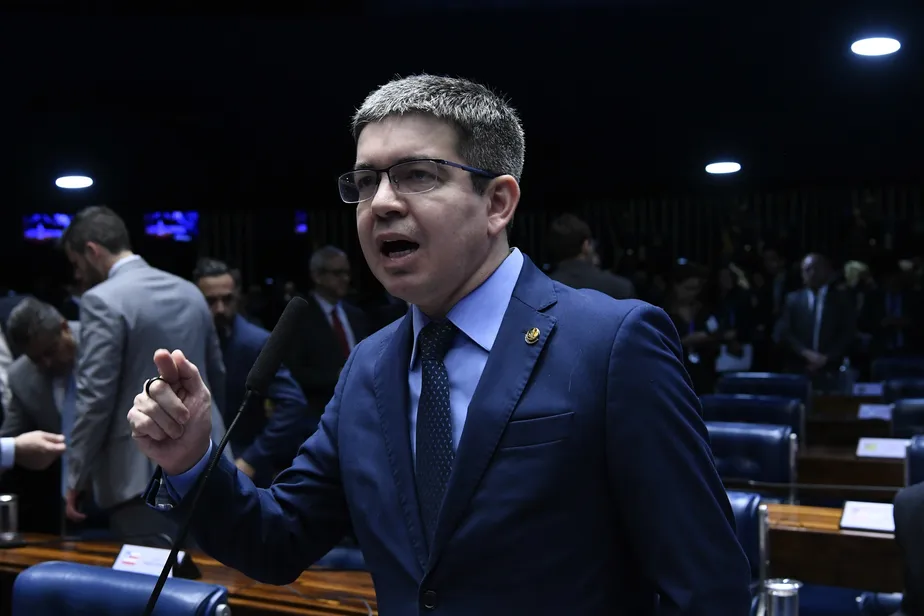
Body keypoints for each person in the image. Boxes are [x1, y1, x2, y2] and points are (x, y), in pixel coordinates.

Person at [129, 75, 751, 614]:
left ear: (497, 202)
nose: (383, 204)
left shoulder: (613, 344)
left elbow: (707, 587)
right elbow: (277, 541)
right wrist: (190, 460)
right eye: (366, 182)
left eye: (417, 176)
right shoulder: (369, 366)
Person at [61, 206, 229, 544]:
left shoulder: (100, 300)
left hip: (140, 474)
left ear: (92, 251)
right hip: (209, 461)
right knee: (209, 581)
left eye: (77, 265)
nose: (78, 276)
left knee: (155, 586)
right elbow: (217, 376)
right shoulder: (190, 292)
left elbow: (95, 399)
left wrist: (75, 476)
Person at [193, 258, 312, 486]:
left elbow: (293, 403)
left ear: (238, 297)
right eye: (211, 301)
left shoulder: (254, 342)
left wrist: (252, 458)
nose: (220, 308)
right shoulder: (190, 339)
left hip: (243, 467)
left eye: (227, 299)